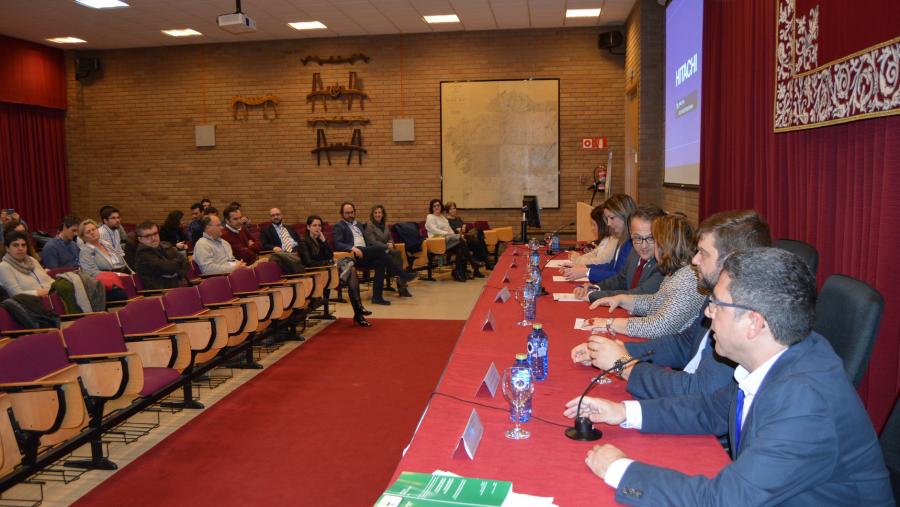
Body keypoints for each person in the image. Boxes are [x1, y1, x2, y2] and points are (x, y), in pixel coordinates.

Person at [564, 248, 893, 505]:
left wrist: (621, 469)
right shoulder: (782, 354)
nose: (707, 313)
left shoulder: (804, 402)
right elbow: (710, 410)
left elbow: (721, 501)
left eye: (718, 305)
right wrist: (624, 412)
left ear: (754, 323)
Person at [573, 209, 771, 400]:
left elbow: (701, 391)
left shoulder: (732, 310)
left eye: (703, 252)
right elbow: (683, 343)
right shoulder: (711, 291)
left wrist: (623, 363)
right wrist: (620, 350)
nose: (695, 259)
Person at [581, 213, 705, 338]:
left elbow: (659, 326)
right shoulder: (677, 271)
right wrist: (621, 299)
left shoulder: (688, 278)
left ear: (664, 246)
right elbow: (657, 302)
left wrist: (610, 323)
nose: (647, 245)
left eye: (653, 240)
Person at [573, 205, 665, 300]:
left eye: (651, 238)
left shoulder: (663, 264)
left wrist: (594, 295)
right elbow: (621, 280)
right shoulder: (634, 253)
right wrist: (596, 288)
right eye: (637, 237)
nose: (643, 245)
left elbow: (639, 295)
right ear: (630, 233)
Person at [333, 202, 414, 305]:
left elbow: (367, 240)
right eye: (347, 213)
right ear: (342, 214)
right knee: (381, 250)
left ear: (355, 212)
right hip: (353, 256)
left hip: (365, 253)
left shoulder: (358, 224)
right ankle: (402, 274)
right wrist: (352, 248)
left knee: (381, 262)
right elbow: (338, 243)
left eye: (352, 212)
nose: (350, 215)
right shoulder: (339, 226)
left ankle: (377, 297)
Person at [299, 215, 370, 327]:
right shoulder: (303, 242)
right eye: (314, 225)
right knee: (351, 269)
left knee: (351, 266)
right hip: (316, 274)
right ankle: (359, 312)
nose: (318, 228)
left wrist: (323, 241)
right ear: (308, 227)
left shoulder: (319, 239)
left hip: (327, 271)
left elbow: (329, 255)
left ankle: (358, 311)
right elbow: (309, 263)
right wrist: (328, 263)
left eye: (319, 225)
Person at [562, 194, 637, 283]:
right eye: (607, 218)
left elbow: (620, 277)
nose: (608, 223)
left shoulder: (632, 243)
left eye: (612, 218)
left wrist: (587, 272)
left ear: (625, 215)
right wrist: (584, 267)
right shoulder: (623, 239)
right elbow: (611, 266)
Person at [364, 205, 412, 297]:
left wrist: (390, 242)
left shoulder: (385, 225)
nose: (378, 214)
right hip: (376, 251)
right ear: (372, 214)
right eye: (376, 212)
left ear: (383, 214)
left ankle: (398, 279)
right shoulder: (369, 226)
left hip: (387, 249)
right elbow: (372, 242)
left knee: (397, 253)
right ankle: (401, 284)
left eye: (379, 212)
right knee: (395, 254)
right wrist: (386, 246)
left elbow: (390, 237)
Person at [132, 221, 189, 290]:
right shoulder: (143, 254)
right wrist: (176, 266)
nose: (153, 238)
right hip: (161, 292)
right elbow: (168, 268)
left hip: (177, 287)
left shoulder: (165, 245)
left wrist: (177, 273)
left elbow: (186, 262)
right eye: (148, 236)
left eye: (155, 233)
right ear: (140, 239)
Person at [425, 199, 471, 282]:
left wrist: (453, 235)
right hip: (437, 242)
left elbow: (450, 230)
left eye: (438, 205)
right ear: (431, 208)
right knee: (461, 240)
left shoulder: (443, 217)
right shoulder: (430, 217)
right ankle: (467, 267)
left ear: (441, 206)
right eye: (434, 206)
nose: (436, 207)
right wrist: (449, 234)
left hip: (447, 240)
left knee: (460, 248)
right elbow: (434, 230)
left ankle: (459, 272)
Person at [0, 231, 53, 296]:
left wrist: (57, 286)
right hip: (31, 302)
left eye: (23, 245)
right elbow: (17, 294)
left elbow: (48, 280)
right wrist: (44, 292)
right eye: (15, 245)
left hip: (52, 296)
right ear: (7, 248)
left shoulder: (32, 260)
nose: (20, 248)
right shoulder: (4, 267)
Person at [444, 201, 489, 273]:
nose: (453, 210)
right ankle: (485, 261)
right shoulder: (446, 221)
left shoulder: (458, 218)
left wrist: (465, 227)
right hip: (459, 240)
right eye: (451, 209)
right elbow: (452, 233)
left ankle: (480, 264)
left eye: (454, 208)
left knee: (479, 236)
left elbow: (465, 229)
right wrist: (459, 230)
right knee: (478, 242)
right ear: (447, 211)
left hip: (466, 237)